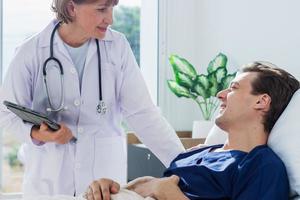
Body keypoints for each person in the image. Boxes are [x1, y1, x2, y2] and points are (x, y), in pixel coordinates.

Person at [0, 0, 185, 196]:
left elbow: (144, 115)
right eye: (101, 9)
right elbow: (6, 115)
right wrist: (38, 134)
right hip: (49, 183)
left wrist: (186, 166)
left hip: (104, 185)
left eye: (113, 8)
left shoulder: (117, 47)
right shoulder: (31, 52)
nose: (110, 18)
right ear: (72, 8)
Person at [85, 62, 300, 200]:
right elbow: (153, 187)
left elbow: (163, 189)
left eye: (233, 88)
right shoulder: (198, 153)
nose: (220, 94)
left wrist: (170, 195)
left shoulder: (261, 166)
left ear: (261, 102)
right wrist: (110, 190)